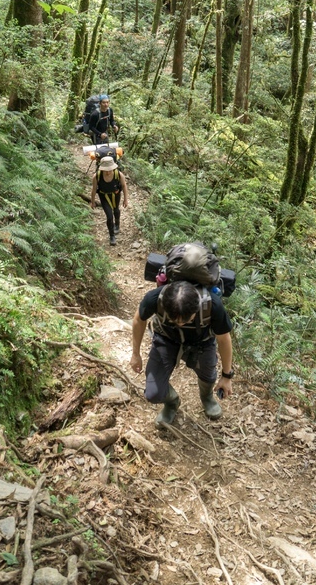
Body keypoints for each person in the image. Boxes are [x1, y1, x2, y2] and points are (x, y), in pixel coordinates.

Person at [130, 280, 234, 427]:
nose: (180, 324)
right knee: (153, 393)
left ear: (196, 309)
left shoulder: (212, 305)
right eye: (175, 320)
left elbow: (224, 339)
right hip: (166, 339)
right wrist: (135, 354)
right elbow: (138, 319)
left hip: (202, 343)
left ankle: (207, 396)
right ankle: (172, 402)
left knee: (208, 374)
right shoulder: (155, 298)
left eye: (186, 320)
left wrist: (226, 376)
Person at [91, 154, 128, 245]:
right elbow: (94, 189)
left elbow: (124, 186)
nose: (108, 172)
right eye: (105, 170)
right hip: (103, 196)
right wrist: (92, 202)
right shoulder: (97, 176)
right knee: (109, 216)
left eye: (109, 170)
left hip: (115, 194)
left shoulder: (119, 174)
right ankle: (112, 236)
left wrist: (125, 199)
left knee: (116, 210)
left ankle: (117, 224)